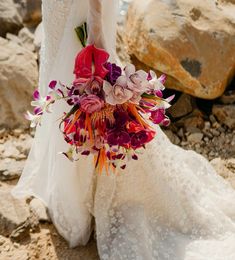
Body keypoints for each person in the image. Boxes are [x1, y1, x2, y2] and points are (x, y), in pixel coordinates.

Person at [12, 0, 235, 259]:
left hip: (80, 10)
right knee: (64, 78)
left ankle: (86, 197)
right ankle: (73, 190)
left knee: (85, 81)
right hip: (60, 8)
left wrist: (95, 26)